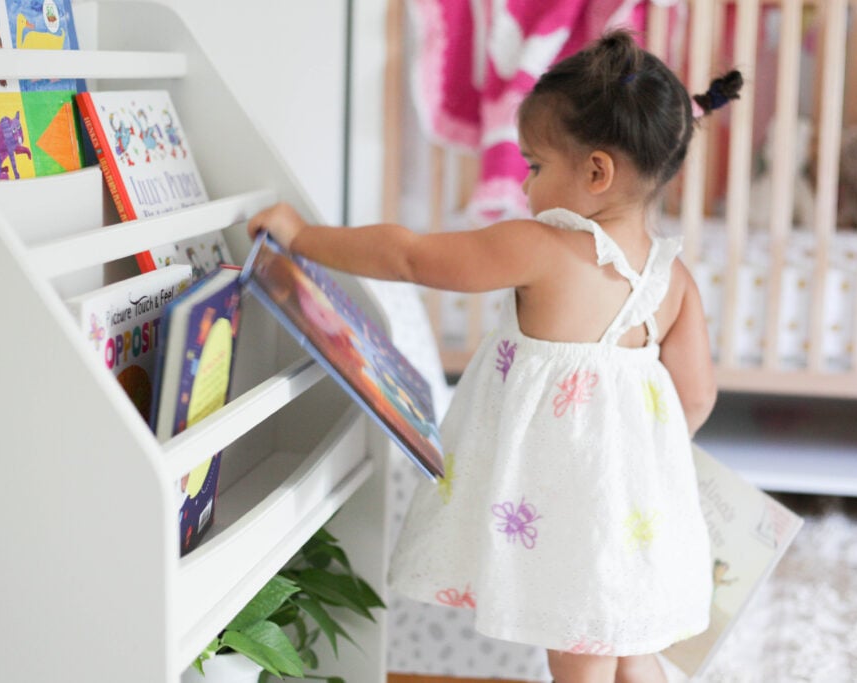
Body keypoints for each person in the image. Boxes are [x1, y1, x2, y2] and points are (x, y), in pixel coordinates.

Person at [248, 30, 742, 683]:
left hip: (574, 502)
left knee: (580, 652)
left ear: (596, 172)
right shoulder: (675, 280)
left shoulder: (542, 247)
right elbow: (698, 397)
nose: (525, 185)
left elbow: (411, 256)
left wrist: (303, 236)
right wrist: (641, 459)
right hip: (641, 505)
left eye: (534, 166)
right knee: (631, 646)